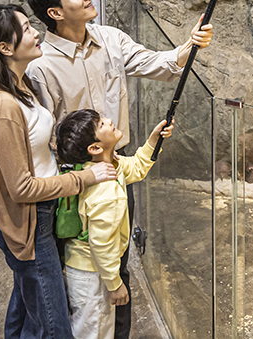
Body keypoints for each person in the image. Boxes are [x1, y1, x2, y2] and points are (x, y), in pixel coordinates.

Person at [25, 0, 213, 338]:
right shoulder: (40, 65)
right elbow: (45, 133)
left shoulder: (110, 38)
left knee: (118, 257)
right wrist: (73, 178)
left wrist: (189, 46)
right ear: (55, 12)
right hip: (73, 178)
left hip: (115, 165)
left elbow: (158, 63)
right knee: (75, 265)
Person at [0, 4, 118, 339]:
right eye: (27, 28)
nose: (37, 32)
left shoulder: (19, 87)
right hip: (31, 225)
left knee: (24, 314)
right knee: (54, 327)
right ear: (5, 48)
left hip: (43, 216)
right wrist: (84, 177)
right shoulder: (2, 105)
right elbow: (21, 187)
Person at [55, 109, 174, 339]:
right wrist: (115, 283)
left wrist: (154, 139)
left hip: (88, 269)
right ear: (96, 148)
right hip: (92, 274)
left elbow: (137, 167)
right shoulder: (106, 190)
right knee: (94, 332)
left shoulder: (101, 168)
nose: (109, 121)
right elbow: (101, 243)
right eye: (101, 124)